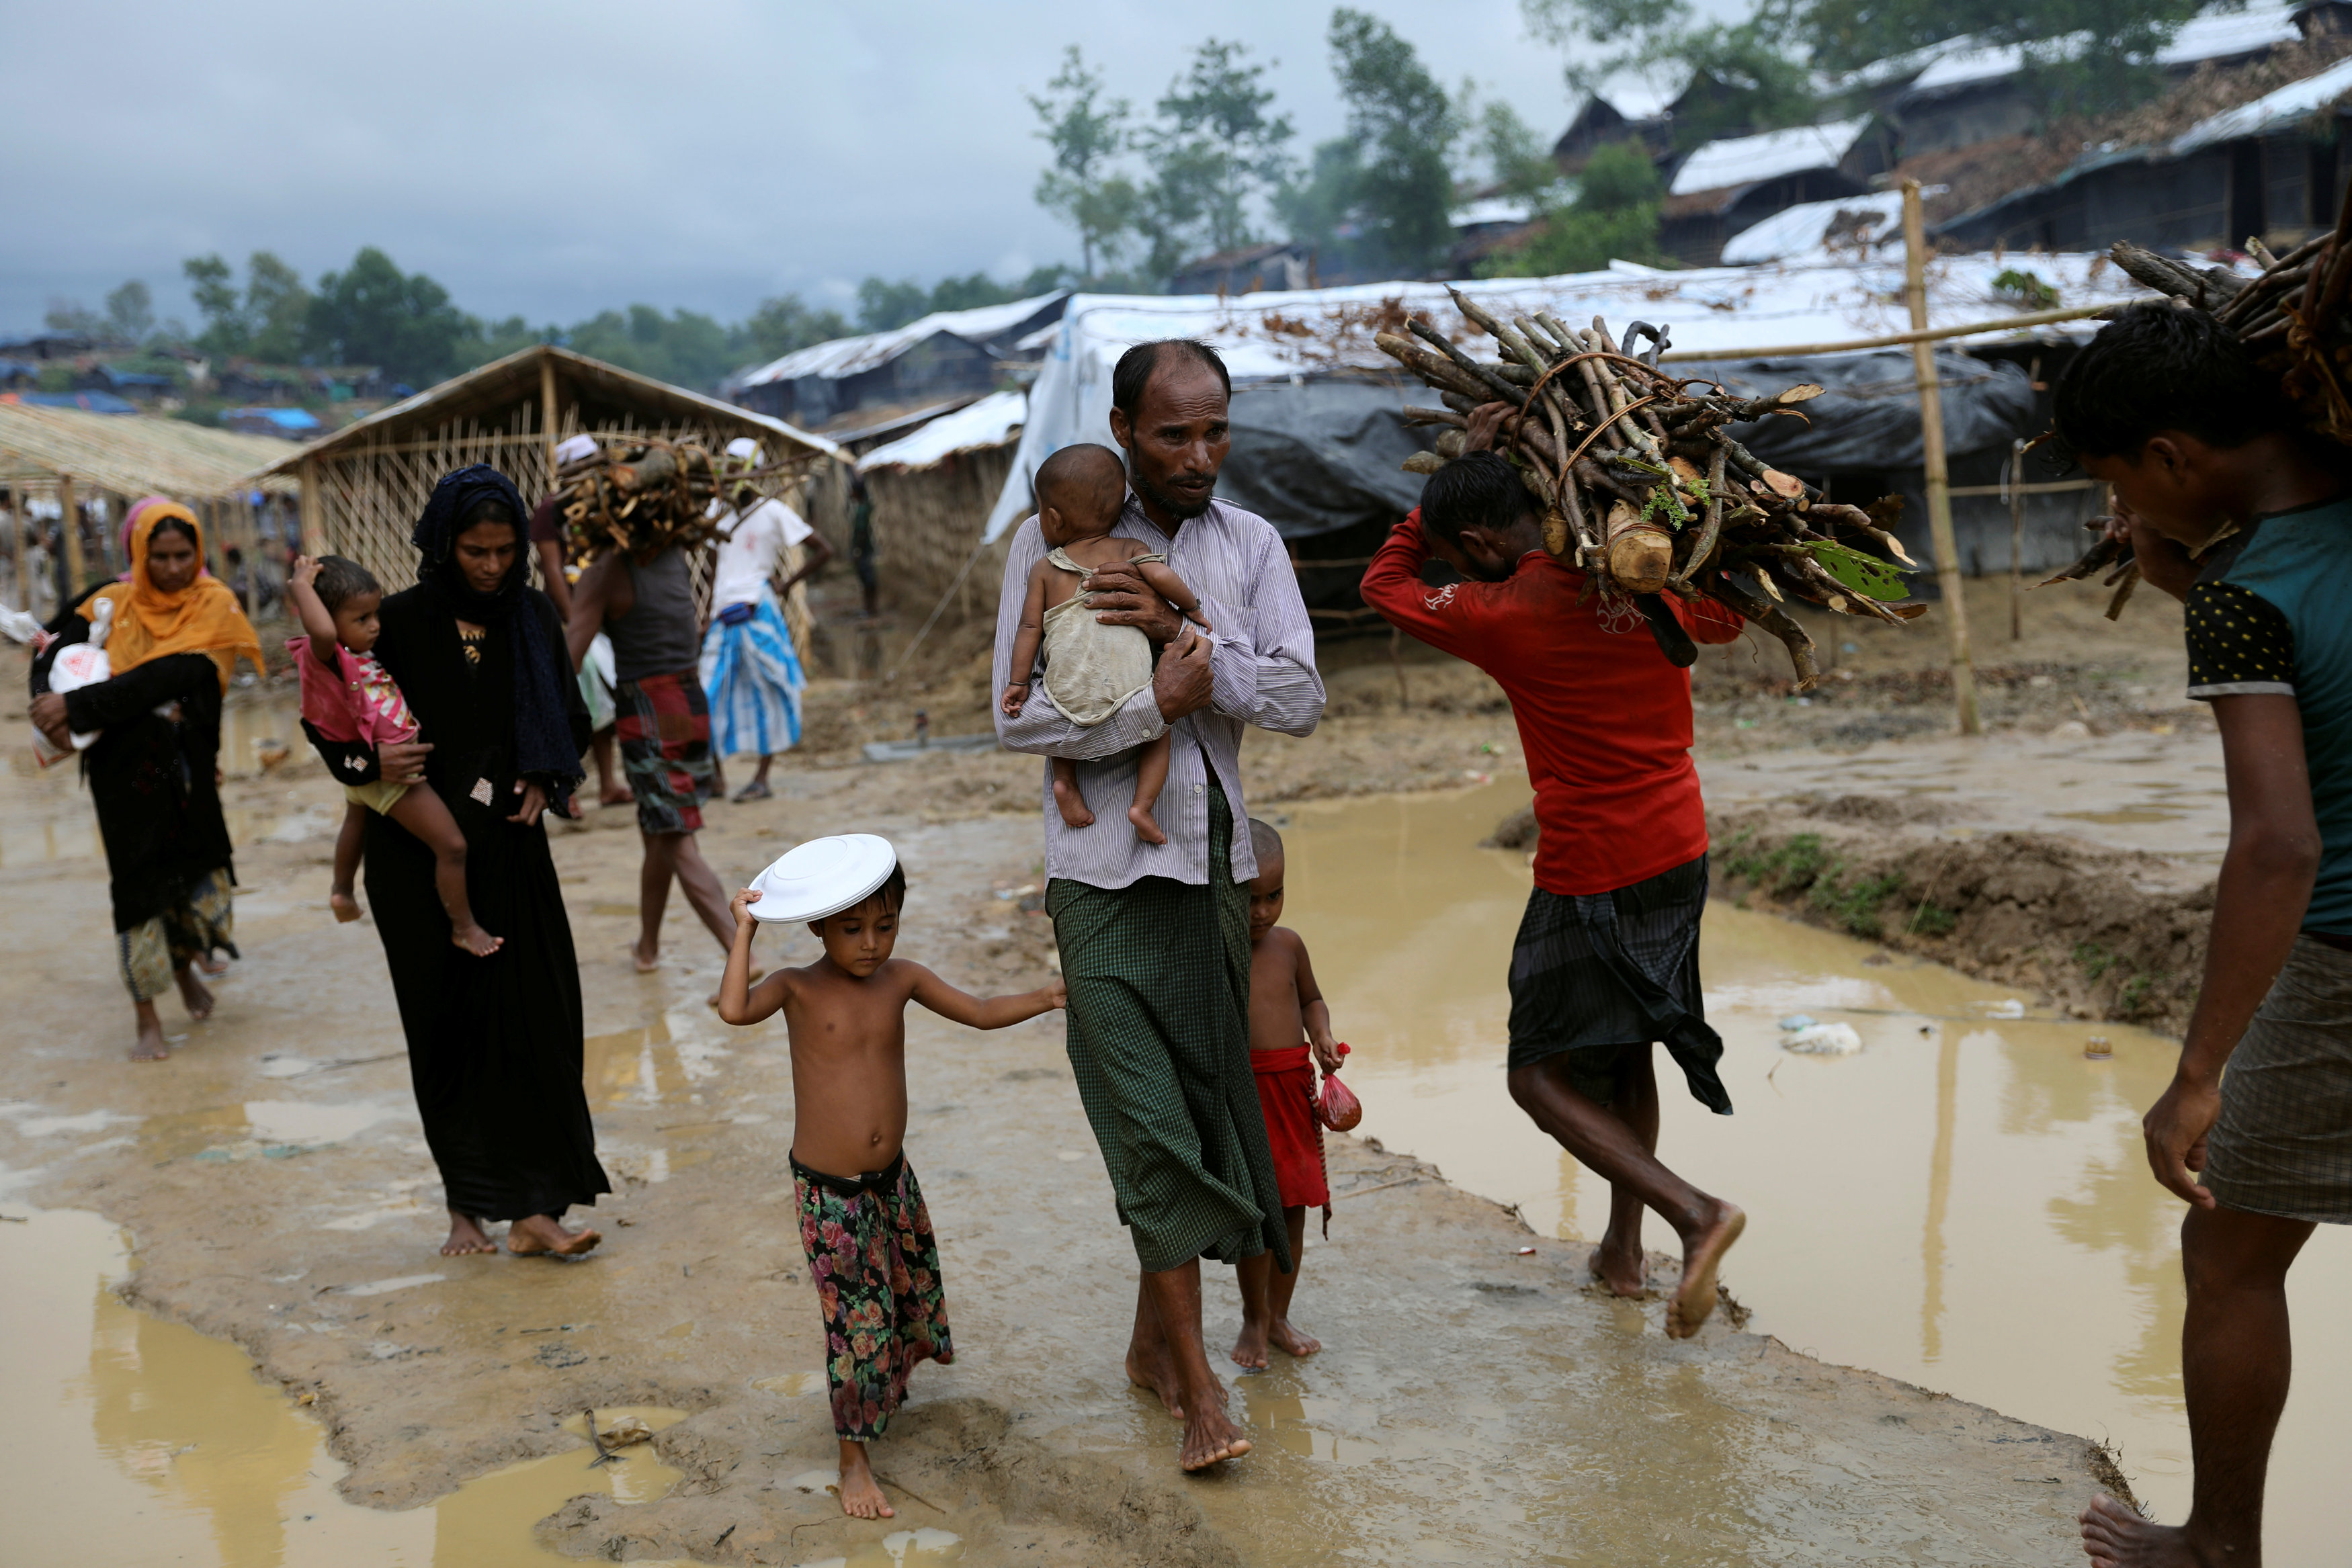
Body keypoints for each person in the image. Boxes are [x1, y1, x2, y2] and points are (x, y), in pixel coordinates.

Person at [2051, 305, 2351, 1568]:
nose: (2124, 508)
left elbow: (2281, 844)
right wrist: (2189, 569)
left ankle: (2223, 1542)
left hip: (2341, 952)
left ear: (2172, 458)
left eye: (2121, 480)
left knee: (2228, 1246)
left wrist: (2198, 1070)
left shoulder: (2246, 592)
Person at [991, 337, 1324, 1471]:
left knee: (1196, 1109)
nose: (1199, 452)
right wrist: (1147, 714)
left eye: (1215, 429)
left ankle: (1149, 1347)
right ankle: (1195, 1385)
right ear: (1125, 429)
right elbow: (1016, 716)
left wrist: (1193, 636)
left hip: (1212, 880)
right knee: (1147, 1124)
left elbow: (1300, 693)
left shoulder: (1251, 545)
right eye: (1175, 432)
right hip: (1096, 885)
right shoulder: (1051, 546)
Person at [1360, 433, 1749, 1340]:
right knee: (1631, 1046)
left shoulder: (1505, 606)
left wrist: (1429, 511)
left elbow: (1386, 585)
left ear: (1483, 542)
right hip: (1681, 846)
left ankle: (1697, 1215)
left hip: (1594, 864)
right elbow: (1729, 611)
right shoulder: (1654, 582)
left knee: (1537, 1076)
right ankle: (1622, 1252)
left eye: (1462, 548)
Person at [304, 465, 609, 1260]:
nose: (492, 565)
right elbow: (333, 721)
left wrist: (548, 774)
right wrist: (372, 766)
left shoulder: (534, 616)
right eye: (475, 550)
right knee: (445, 1032)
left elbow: (571, 718)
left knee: (538, 1025)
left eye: (506, 550)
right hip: (415, 861)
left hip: (512, 847)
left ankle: (538, 1209)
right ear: (444, 543)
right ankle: (466, 1206)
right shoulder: (393, 623)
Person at [716, 841, 1065, 1520]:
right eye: (852, 929)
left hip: (891, 1178)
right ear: (817, 924)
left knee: (905, 1285)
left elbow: (981, 1009)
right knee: (855, 1323)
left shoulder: (900, 979)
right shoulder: (793, 985)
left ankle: (890, 1382)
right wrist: (745, 930)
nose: (871, 944)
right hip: (830, 1191)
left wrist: (1050, 996)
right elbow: (732, 1010)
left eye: (886, 924)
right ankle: (853, 1459)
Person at [28, 500, 261, 1061]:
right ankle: (146, 1015)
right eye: (159, 557)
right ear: (139, 552)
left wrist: (77, 705)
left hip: (184, 769)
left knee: (187, 872)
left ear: (199, 553)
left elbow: (170, 676)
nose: (174, 568)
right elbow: (50, 646)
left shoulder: (216, 607)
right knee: (135, 883)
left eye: (184, 555)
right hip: (122, 773)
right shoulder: (111, 600)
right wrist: (43, 703)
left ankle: (185, 973)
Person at [288, 554, 499, 955]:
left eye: (375, 614)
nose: (375, 626)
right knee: (452, 846)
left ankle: (341, 890)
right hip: (390, 774)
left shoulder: (357, 654)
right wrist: (301, 585)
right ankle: (464, 926)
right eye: (362, 618)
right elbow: (321, 631)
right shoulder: (326, 657)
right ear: (328, 621)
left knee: (356, 821)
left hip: (370, 769)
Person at [1001, 443, 1210, 843]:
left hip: (1069, 684)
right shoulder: (1130, 549)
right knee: (1159, 731)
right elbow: (1163, 580)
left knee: (1060, 718)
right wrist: (1191, 610)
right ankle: (1142, 806)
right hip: (1131, 685)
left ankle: (1066, 781)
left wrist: (1019, 683)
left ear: (1053, 517)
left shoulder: (1045, 568)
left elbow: (1029, 629)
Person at [565, 517, 734, 973]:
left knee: (677, 836)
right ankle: (648, 947)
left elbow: (569, 661)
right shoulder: (673, 557)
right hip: (691, 702)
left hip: (647, 711)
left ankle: (740, 952)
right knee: (658, 831)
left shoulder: (604, 571)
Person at [1231, 818, 1343, 1369]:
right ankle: (1252, 1320)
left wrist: (1321, 1034)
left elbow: (1312, 1001)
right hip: (1244, 1096)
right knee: (1254, 1212)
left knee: (1294, 1209)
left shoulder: (1289, 946)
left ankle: (1279, 1317)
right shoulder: (1214, 951)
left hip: (1292, 1092)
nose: (1262, 911)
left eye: (1274, 896)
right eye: (1248, 898)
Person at [702, 438, 831, 803]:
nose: (725, 473)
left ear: (750, 471)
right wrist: (705, 614)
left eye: (732, 465)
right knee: (708, 691)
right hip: (721, 617)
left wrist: (786, 583)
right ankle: (716, 777)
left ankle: (761, 778)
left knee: (770, 689)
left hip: (758, 613)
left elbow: (824, 549)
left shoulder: (772, 512)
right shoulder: (717, 511)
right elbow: (712, 573)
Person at [530, 433, 631, 810]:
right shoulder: (551, 510)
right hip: (568, 621)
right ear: (568, 471)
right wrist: (576, 625)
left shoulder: (607, 506)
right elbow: (553, 570)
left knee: (603, 705)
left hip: (601, 619)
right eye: (584, 465)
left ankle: (608, 784)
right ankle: (566, 790)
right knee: (574, 703)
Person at [847, 472, 879, 619]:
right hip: (866, 549)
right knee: (868, 578)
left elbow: (861, 531)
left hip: (864, 550)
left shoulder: (861, 510)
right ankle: (870, 608)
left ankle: (870, 608)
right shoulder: (863, 507)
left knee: (867, 578)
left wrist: (857, 551)